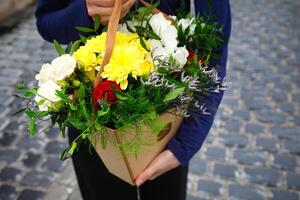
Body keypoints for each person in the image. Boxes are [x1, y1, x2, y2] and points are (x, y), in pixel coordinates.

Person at [35, 0, 231, 199]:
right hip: (92, 119)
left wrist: (184, 144)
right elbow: (46, 21)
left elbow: (215, 42)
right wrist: (84, 11)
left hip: (166, 123)